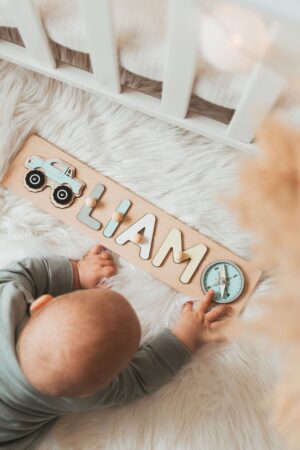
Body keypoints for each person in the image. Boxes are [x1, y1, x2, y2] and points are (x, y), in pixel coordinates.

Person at [0, 244, 231, 449]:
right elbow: (139, 378)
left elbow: (26, 272)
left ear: (41, 303)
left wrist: (78, 272)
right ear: (89, 392)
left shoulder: (8, 296)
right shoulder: (81, 398)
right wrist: (184, 337)